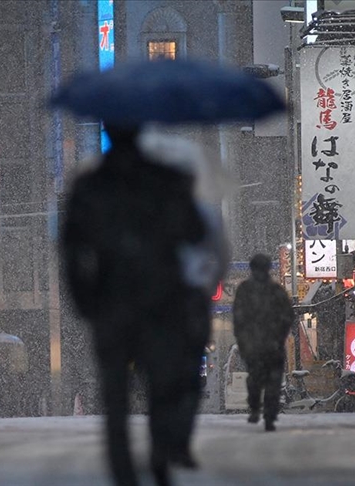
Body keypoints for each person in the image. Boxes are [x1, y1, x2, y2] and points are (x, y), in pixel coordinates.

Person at [61, 125, 228, 486]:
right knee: (160, 385)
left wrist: (84, 299)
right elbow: (196, 232)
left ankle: (122, 470)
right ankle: (159, 459)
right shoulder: (169, 181)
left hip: (111, 302)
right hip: (161, 302)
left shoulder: (90, 184)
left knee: (116, 395)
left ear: (107, 129)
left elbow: (73, 249)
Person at [232, 254, 295, 432]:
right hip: (272, 345)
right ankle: (269, 413)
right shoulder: (276, 290)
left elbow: (238, 318)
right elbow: (288, 316)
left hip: (254, 346)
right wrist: (279, 335)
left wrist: (243, 340)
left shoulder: (244, 289)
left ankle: (256, 408)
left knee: (255, 379)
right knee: (273, 381)